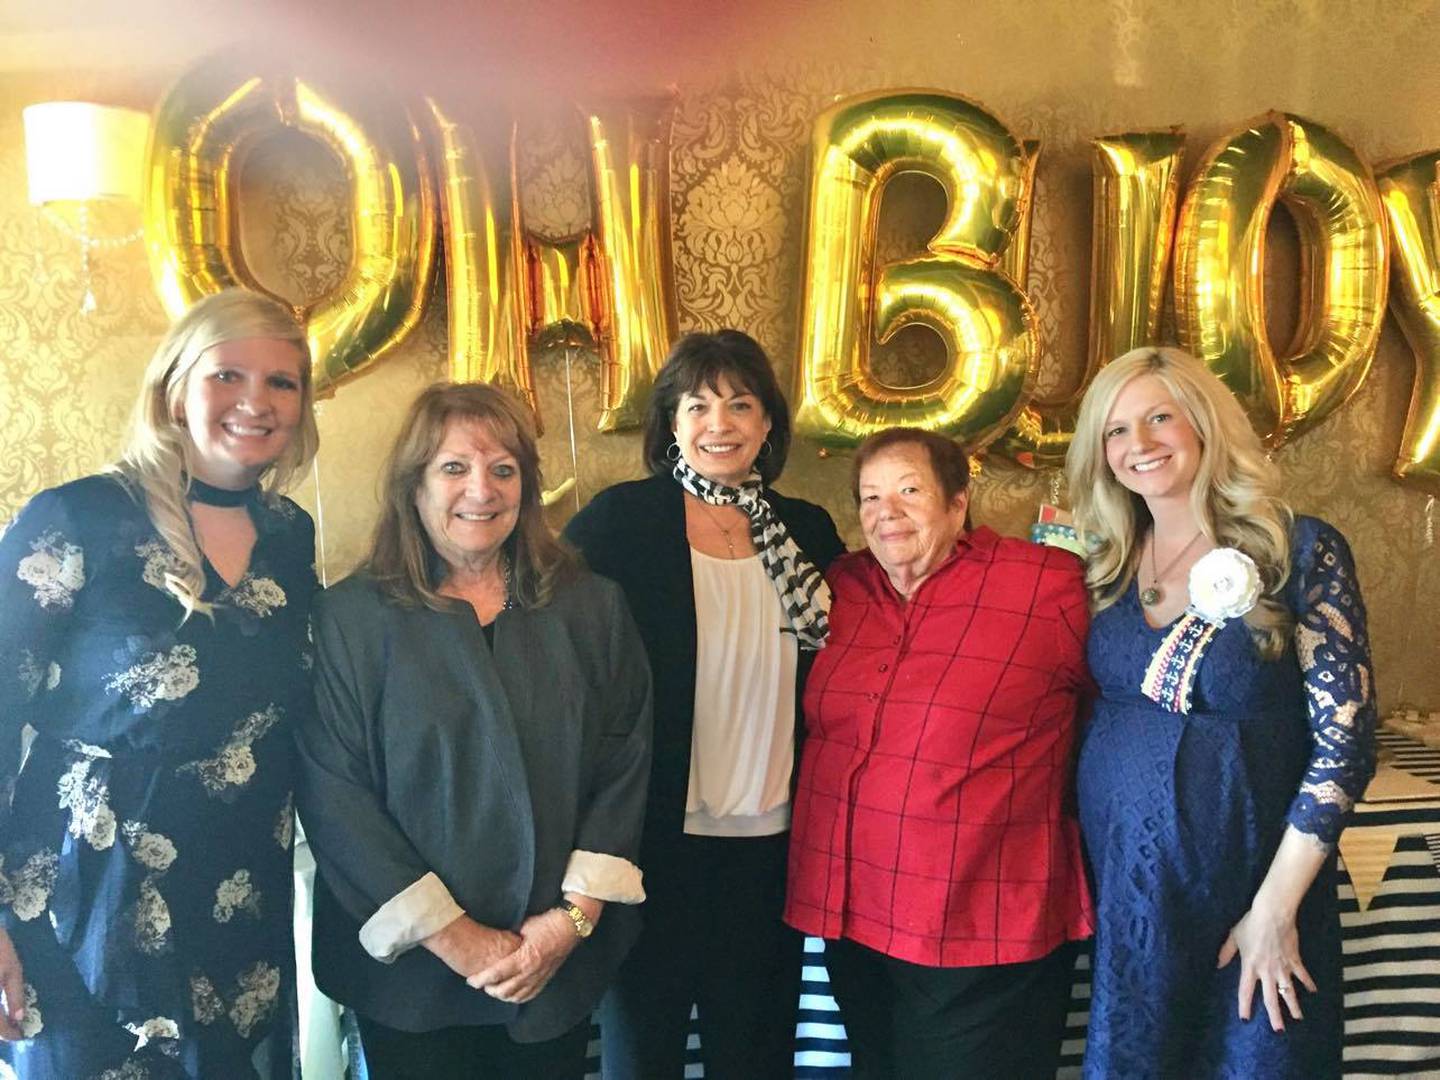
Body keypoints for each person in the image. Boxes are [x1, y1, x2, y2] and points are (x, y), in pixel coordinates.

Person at [0, 289, 320, 1078]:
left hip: (238, 885)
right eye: (230, 375)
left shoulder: (289, 533)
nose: (258, 401)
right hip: (85, 887)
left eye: (283, 382)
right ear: (176, 387)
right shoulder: (76, 517)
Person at [295, 382, 652, 1080]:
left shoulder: (591, 608)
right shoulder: (353, 618)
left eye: (503, 469)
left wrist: (567, 925)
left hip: (548, 965)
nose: (480, 490)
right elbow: (335, 793)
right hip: (413, 981)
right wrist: (456, 940)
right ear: (414, 485)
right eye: (454, 468)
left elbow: (626, 762)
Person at [1065, 346, 1376, 1079]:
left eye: (1159, 418)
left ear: (1203, 423)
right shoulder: (1104, 564)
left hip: (1252, 885)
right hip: (1133, 896)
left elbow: (1346, 745)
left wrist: (1275, 910)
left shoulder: (1294, 550)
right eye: (1115, 431)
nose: (1137, 445)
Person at [564, 329, 844, 1079]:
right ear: (672, 423)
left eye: (740, 404)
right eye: (698, 405)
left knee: (754, 1055)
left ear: (767, 425)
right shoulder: (620, 522)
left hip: (774, 848)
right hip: (653, 843)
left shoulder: (808, 532)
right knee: (642, 1050)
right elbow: (558, 655)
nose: (719, 423)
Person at [785, 427, 1093, 1079]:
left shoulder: (1047, 586)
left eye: (908, 489)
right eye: (869, 497)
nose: (884, 511)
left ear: (958, 501)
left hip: (983, 919)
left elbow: (1120, 706)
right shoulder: (841, 588)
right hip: (855, 914)